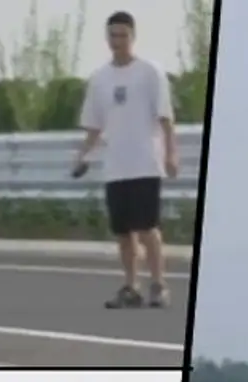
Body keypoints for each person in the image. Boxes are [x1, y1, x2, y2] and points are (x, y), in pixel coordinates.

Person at [75, 11, 179, 309]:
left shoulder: (150, 72)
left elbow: (166, 118)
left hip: (145, 161)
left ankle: (159, 284)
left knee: (148, 228)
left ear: (132, 37)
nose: (117, 41)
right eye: (113, 35)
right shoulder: (99, 79)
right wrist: (83, 154)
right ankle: (131, 286)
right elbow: (94, 125)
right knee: (123, 233)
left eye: (123, 35)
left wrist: (171, 153)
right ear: (106, 38)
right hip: (115, 165)